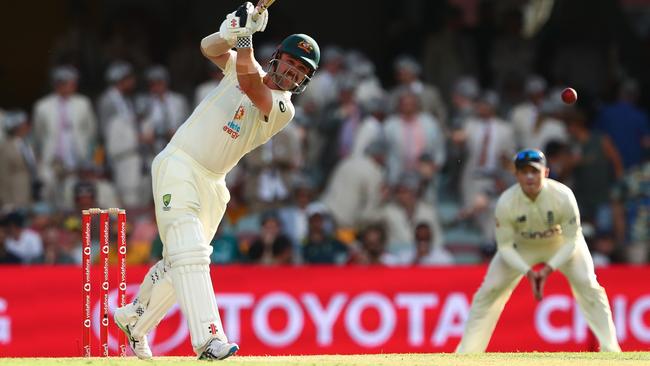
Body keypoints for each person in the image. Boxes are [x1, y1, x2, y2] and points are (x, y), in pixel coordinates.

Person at [113, 2, 319, 360]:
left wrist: (245, 38)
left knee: (181, 262)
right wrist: (231, 32)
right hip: (179, 165)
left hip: (214, 185)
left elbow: (252, 86)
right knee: (191, 254)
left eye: (302, 71)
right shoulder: (243, 64)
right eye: (291, 61)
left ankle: (134, 322)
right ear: (278, 57)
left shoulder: (284, 108)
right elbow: (209, 49)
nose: (293, 72)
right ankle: (209, 341)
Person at [456, 149, 621, 353]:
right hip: (521, 248)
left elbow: (572, 240)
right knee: (488, 292)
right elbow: (505, 247)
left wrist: (548, 269)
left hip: (562, 245)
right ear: (516, 175)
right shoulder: (507, 202)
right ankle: (467, 354)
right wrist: (528, 271)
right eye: (524, 172)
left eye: (535, 171)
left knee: (588, 286)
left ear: (546, 172)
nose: (530, 177)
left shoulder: (563, 196)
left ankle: (611, 349)